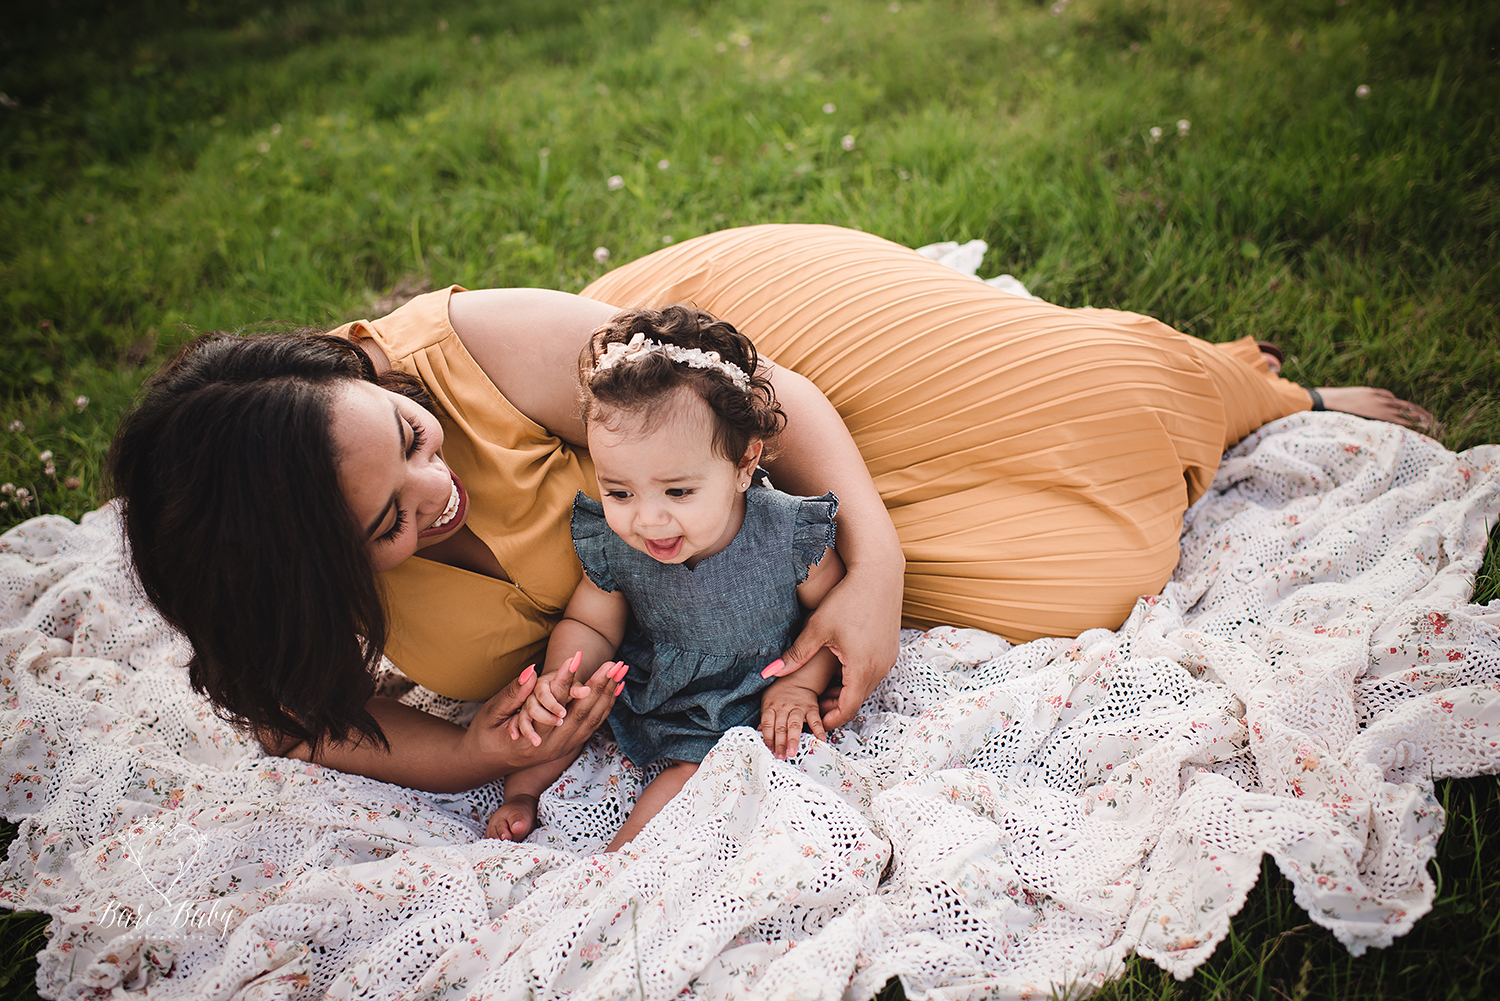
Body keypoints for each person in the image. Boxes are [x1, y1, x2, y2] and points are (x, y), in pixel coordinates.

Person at [107, 223, 1430, 793]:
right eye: (394, 526)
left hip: (725, 386)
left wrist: (875, 556)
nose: (435, 488)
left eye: (407, 441)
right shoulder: (274, 622)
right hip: (694, 550)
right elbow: (308, 719)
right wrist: (486, 749)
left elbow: (752, 382)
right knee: (1079, 577)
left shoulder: (467, 345)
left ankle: (1266, 390)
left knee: (1075, 399)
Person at [485, 305, 845, 850]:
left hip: (744, 695)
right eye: (620, 492)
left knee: (696, 769)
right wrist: (564, 677)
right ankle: (522, 794)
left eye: (678, 492)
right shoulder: (618, 541)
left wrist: (800, 683)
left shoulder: (787, 532)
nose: (648, 520)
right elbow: (592, 620)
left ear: (744, 465)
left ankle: (619, 856)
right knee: (564, 719)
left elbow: (833, 619)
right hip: (647, 681)